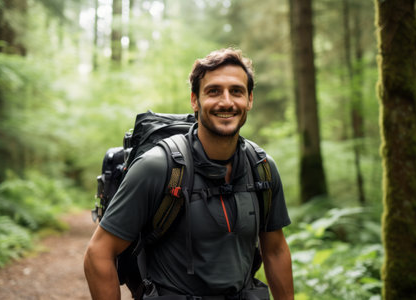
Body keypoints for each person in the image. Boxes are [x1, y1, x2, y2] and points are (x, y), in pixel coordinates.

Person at [84, 48, 294, 300]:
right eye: (213, 91)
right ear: (195, 100)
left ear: (249, 99)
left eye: (236, 91)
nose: (226, 102)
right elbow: (98, 253)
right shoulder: (158, 167)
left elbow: (276, 250)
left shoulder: (262, 168)